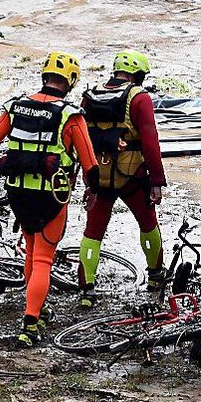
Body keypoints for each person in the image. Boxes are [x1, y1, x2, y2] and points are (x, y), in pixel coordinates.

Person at [0, 52, 99, 348]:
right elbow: (90, 164)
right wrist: (92, 192)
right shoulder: (70, 115)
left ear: (43, 75)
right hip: (52, 195)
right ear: (72, 81)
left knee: (30, 251)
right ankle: (30, 324)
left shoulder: (15, 107)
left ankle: (37, 307)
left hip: (18, 192)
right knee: (43, 259)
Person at [77, 50, 166, 308]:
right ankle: (155, 276)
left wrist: (83, 178)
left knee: (93, 231)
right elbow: (150, 143)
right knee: (148, 223)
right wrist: (157, 181)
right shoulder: (139, 98)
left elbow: (80, 140)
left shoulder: (89, 96)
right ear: (138, 74)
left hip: (98, 175)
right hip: (132, 176)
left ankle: (86, 290)